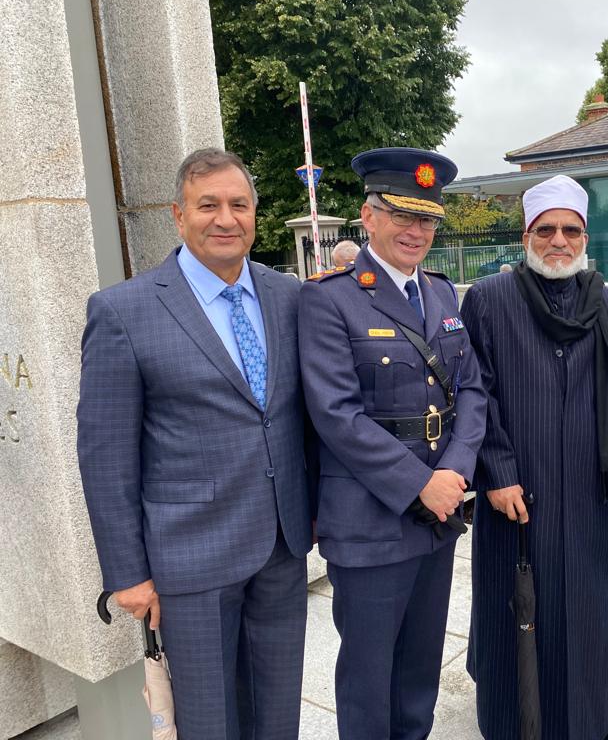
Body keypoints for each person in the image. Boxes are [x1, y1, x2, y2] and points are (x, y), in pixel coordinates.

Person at [77, 148, 314, 740]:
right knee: (209, 721)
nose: (225, 219)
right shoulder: (124, 311)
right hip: (190, 559)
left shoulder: (288, 295)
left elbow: (299, 418)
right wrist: (127, 574)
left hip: (283, 547)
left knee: (278, 710)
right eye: (208, 205)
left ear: (255, 215)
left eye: (238, 205)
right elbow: (105, 454)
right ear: (178, 216)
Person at [298, 147, 486, 739]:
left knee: (419, 670)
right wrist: (420, 484)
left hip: (438, 514)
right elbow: (337, 414)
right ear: (368, 216)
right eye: (402, 215)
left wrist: (453, 472)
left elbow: (472, 391)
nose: (416, 230)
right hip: (370, 520)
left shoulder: (442, 292)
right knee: (368, 675)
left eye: (427, 219)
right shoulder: (329, 299)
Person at [461, 174, 608, 740]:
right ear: (526, 235)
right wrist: (498, 472)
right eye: (546, 229)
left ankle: (586, 721)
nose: (558, 240)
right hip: (517, 491)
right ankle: (512, 722)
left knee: (587, 610)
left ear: (584, 236)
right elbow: (476, 393)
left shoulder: (605, 301)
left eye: (571, 229)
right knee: (511, 605)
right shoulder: (489, 301)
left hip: (587, 489)